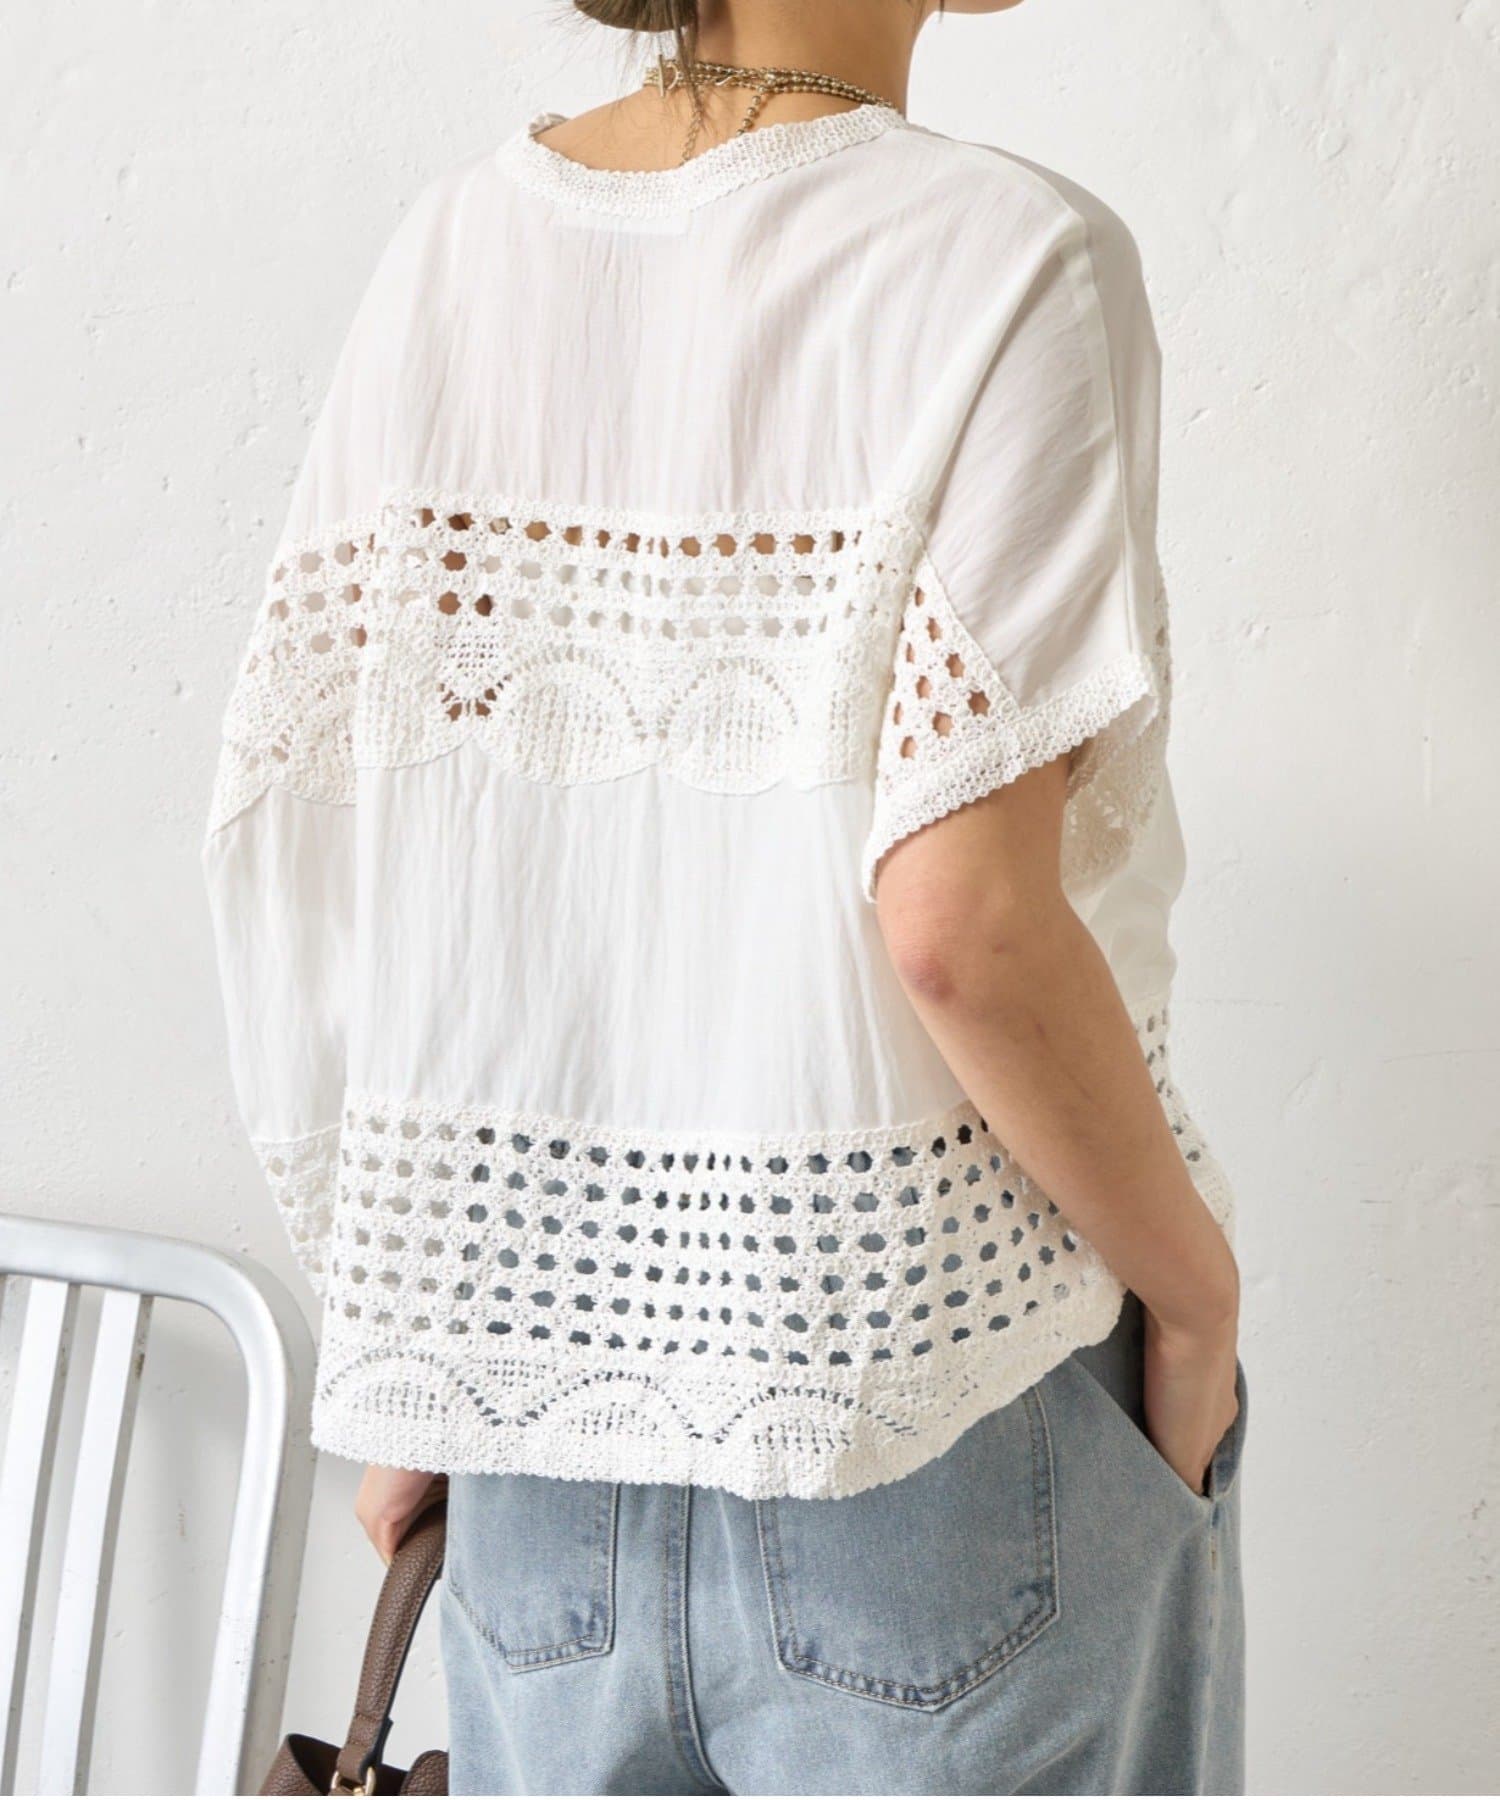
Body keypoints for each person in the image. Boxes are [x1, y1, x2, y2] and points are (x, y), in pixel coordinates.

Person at [202, 0, 1246, 1791]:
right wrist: (1200, 1297)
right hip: (935, 1430)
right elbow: (964, 926)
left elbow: (313, 853)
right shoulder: (1012, 258)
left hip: (540, 1464)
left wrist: (427, 1332)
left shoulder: (452, 254)